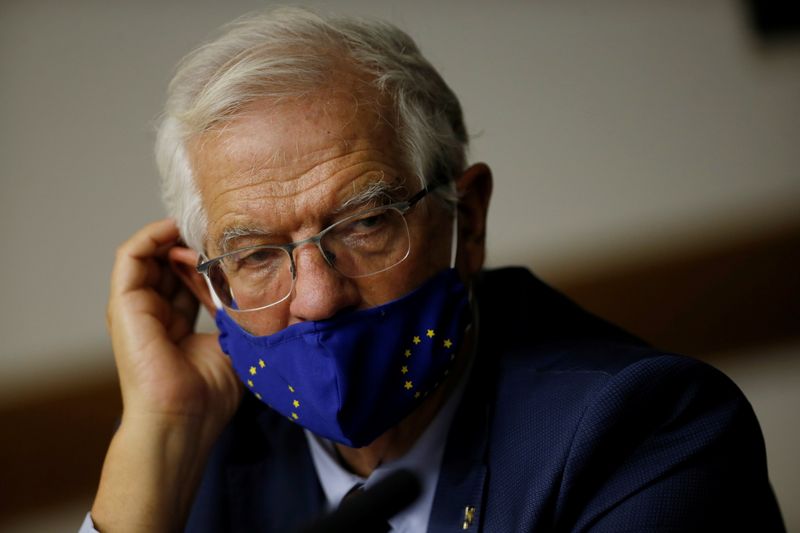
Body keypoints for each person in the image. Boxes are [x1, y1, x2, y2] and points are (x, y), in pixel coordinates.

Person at [83, 8, 784, 533]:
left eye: (364, 223)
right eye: (257, 254)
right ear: (209, 283)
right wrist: (162, 427)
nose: (319, 299)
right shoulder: (193, 462)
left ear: (467, 219)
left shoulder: (642, 429)